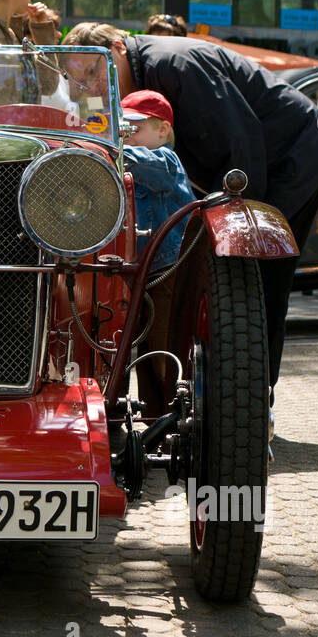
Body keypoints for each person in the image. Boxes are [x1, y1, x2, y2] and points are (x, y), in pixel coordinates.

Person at [64, 21, 318, 389]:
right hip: (263, 155)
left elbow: (239, 146)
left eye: (93, 72)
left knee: (257, 276)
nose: (92, 88)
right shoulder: (143, 72)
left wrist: (229, 234)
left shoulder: (175, 65)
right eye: (79, 80)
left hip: (294, 153)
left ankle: (254, 405)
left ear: (117, 48)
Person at [120, 90, 195, 416]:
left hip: (165, 269)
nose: (126, 135)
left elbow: (146, 166)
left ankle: (177, 416)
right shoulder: (125, 160)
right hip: (130, 270)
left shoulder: (167, 161)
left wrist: (109, 144)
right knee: (122, 348)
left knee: (164, 348)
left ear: (163, 130)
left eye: (133, 128)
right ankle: (144, 417)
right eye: (120, 129)